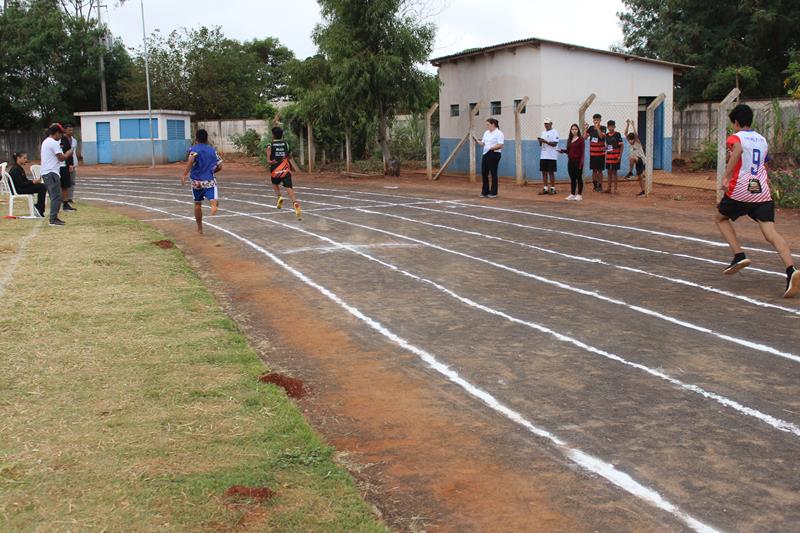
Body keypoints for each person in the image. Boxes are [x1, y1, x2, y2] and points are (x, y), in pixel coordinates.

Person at [715, 104, 799, 298]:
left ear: (735, 123)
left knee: (719, 218)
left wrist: (726, 177)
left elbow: (736, 151)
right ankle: (791, 270)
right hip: (761, 191)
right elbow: (765, 163)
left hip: (741, 190)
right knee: (771, 233)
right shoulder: (762, 139)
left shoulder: (736, 137)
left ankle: (739, 255)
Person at [181, 129, 222, 234]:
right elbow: (220, 166)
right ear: (207, 138)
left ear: (196, 138)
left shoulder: (193, 149)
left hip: (196, 181)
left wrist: (185, 174)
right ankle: (213, 204)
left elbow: (191, 160)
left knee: (197, 203)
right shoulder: (213, 150)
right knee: (213, 198)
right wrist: (212, 171)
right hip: (208, 179)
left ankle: (200, 228)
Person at [40, 123, 73, 226]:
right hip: (51, 172)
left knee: (54, 196)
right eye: (60, 133)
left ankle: (54, 218)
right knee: (56, 196)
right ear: (56, 133)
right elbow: (61, 157)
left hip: (47, 172)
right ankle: (53, 219)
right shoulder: (53, 143)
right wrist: (68, 153)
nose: (61, 136)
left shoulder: (45, 142)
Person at [266, 126, 302, 220]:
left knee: (274, 183)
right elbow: (290, 156)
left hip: (275, 169)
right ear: (282, 134)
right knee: (289, 187)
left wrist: (272, 161)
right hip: (286, 169)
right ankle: (295, 203)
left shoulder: (270, 145)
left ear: (273, 135)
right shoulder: (286, 144)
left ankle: (279, 197)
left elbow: (269, 160)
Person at [8, 151, 46, 217]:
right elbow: (21, 184)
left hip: (21, 188)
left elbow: (24, 181)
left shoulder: (19, 168)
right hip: (19, 190)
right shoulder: (15, 169)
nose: (26, 160)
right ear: (18, 158)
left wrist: (33, 181)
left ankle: (39, 207)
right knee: (42, 187)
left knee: (41, 186)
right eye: (24, 158)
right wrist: (32, 182)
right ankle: (39, 208)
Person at [474, 118, 504, 198]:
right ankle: (485, 191)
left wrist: (491, 148)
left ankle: (493, 192)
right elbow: (483, 143)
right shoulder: (486, 132)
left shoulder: (499, 133)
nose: (486, 126)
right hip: (486, 153)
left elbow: (500, 145)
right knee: (484, 172)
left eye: (488, 124)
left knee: (493, 173)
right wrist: (477, 141)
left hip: (494, 154)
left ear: (493, 124)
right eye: (486, 124)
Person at [559, 123, 585, 201]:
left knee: (579, 178)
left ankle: (579, 195)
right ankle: (572, 194)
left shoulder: (580, 140)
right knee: (572, 178)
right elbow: (569, 151)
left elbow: (582, 153)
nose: (574, 131)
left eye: (575, 129)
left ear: (578, 130)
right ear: (570, 130)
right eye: (572, 129)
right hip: (570, 162)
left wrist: (581, 163)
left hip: (578, 162)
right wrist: (562, 151)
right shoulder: (569, 140)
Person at [624, 119, 647, 197]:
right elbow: (625, 133)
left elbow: (636, 134)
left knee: (632, 158)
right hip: (637, 161)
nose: (630, 141)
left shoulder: (637, 142)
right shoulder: (630, 143)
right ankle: (643, 191)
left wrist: (633, 125)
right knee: (640, 177)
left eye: (632, 139)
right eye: (629, 140)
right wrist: (627, 124)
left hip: (641, 160)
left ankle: (630, 172)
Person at [584, 113, 606, 192]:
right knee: (594, 170)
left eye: (598, 120)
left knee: (600, 170)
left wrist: (597, 128)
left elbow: (601, 136)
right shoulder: (590, 128)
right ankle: (595, 185)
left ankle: (600, 185)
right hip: (593, 154)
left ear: (600, 120)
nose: (596, 121)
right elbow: (584, 138)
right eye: (595, 120)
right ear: (593, 120)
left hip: (601, 154)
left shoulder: (603, 128)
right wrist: (586, 129)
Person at [537, 118, 559, 195]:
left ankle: (553, 188)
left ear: (551, 123)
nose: (546, 125)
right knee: (544, 172)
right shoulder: (543, 132)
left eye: (547, 123)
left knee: (551, 172)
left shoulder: (555, 132)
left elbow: (554, 144)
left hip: (551, 156)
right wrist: (540, 141)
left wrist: (545, 141)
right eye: (545, 124)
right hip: (543, 155)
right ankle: (545, 188)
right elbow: (541, 145)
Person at [59, 124, 77, 212]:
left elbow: (69, 153)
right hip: (56, 166)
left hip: (65, 165)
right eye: (69, 130)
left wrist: (71, 164)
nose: (71, 132)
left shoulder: (68, 140)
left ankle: (66, 201)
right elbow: (65, 154)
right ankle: (59, 201)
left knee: (66, 184)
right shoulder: (50, 141)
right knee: (57, 185)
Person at [604, 120, 623, 194]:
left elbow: (621, 146)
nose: (611, 128)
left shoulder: (618, 134)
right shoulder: (606, 135)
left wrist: (620, 156)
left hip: (616, 156)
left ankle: (615, 189)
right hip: (608, 157)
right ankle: (609, 188)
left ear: (614, 127)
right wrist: (603, 149)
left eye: (612, 126)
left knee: (615, 172)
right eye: (609, 126)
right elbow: (606, 146)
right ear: (608, 127)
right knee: (609, 172)